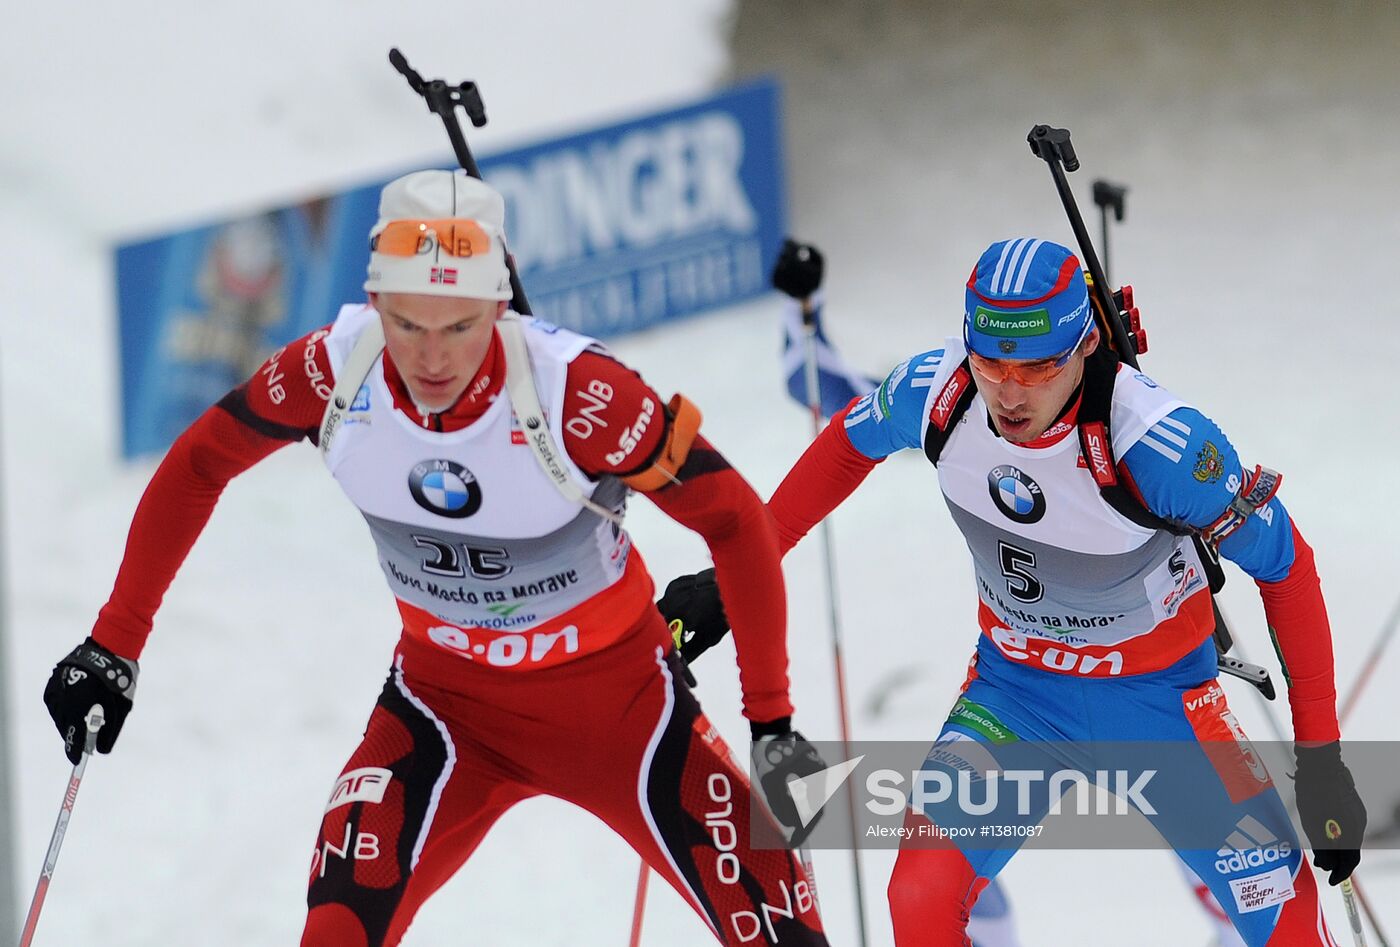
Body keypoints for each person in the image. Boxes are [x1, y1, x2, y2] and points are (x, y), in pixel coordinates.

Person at [42, 169, 828, 947]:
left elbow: (732, 518)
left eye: (459, 326)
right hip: (444, 712)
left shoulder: (576, 393)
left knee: (788, 934)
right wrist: (115, 640)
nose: (432, 359)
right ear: (375, 302)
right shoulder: (334, 369)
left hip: (627, 714)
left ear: (498, 303)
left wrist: (772, 719)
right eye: (408, 324)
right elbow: (201, 460)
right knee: (335, 931)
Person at [662, 237, 1366, 946]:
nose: (1009, 389)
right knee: (918, 898)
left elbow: (1286, 563)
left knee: (1285, 920)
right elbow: (847, 443)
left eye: (1037, 364)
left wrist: (1323, 764)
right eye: (991, 360)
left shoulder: (1160, 444)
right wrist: (732, 578)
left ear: (1087, 343)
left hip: (1163, 709)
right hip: (1018, 698)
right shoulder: (937, 393)